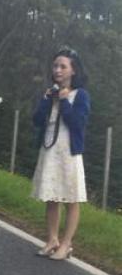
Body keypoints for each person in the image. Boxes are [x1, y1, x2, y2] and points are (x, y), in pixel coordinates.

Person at [30, 48, 90, 261]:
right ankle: (52, 239)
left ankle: (66, 244)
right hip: (50, 150)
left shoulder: (80, 95)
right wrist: (48, 100)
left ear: (73, 70)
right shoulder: (50, 93)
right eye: (55, 66)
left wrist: (64, 101)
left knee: (71, 199)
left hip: (69, 152)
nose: (57, 70)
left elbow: (78, 124)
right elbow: (37, 121)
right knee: (51, 196)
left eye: (63, 66)